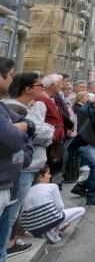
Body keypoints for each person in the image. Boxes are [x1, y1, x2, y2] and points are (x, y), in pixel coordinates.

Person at [1, 72, 54, 256]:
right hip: (22, 169)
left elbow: (32, 130)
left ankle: (8, 244)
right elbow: (34, 134)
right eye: (40, 85)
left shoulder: (26, 106)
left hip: (26, 166)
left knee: (13, 212)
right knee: (10, 213)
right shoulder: (13, 107)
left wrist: (33, 130)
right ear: (28, 89)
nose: (43, 88)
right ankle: (7, 245)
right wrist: (34, 132)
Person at [0, 58, 35, 260]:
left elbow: (28, 125)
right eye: (11, 74)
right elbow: (13, 140)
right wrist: (22, 131)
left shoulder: (4, 108)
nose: (13, 78)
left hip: (7, 182)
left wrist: (24, 129)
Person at [20, 166, 84, 244]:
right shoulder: (52, 186)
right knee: (81, 210)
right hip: (51, 220)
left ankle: (47, 231)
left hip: (30, 227)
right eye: (48, 173)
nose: (50, 176)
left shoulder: (25, 191)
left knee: (52, 215)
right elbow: (60, 207)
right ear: (40, 177)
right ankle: (55, 230)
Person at [39, 74, 66, 175]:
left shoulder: (49, 98)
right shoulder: (42, 98)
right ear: (52, 86)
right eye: (59, 84)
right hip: (48, 140)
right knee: (47, 166)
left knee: (52, 165)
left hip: (54, 140)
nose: (62, 86)